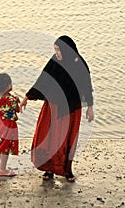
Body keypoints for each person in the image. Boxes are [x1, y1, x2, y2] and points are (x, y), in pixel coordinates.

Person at [20, 35, 94, 182]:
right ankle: (49, 168)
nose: (57, 53)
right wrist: (27, 97)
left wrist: (90, 107)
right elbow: (43, 80)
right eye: (55, 50)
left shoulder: (79, 64)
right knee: (49, 138)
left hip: (71, 107)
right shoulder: (54, 61)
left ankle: (67, 170)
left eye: (59, 50)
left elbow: (86, 87)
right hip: (53, 105)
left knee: (67, 139)